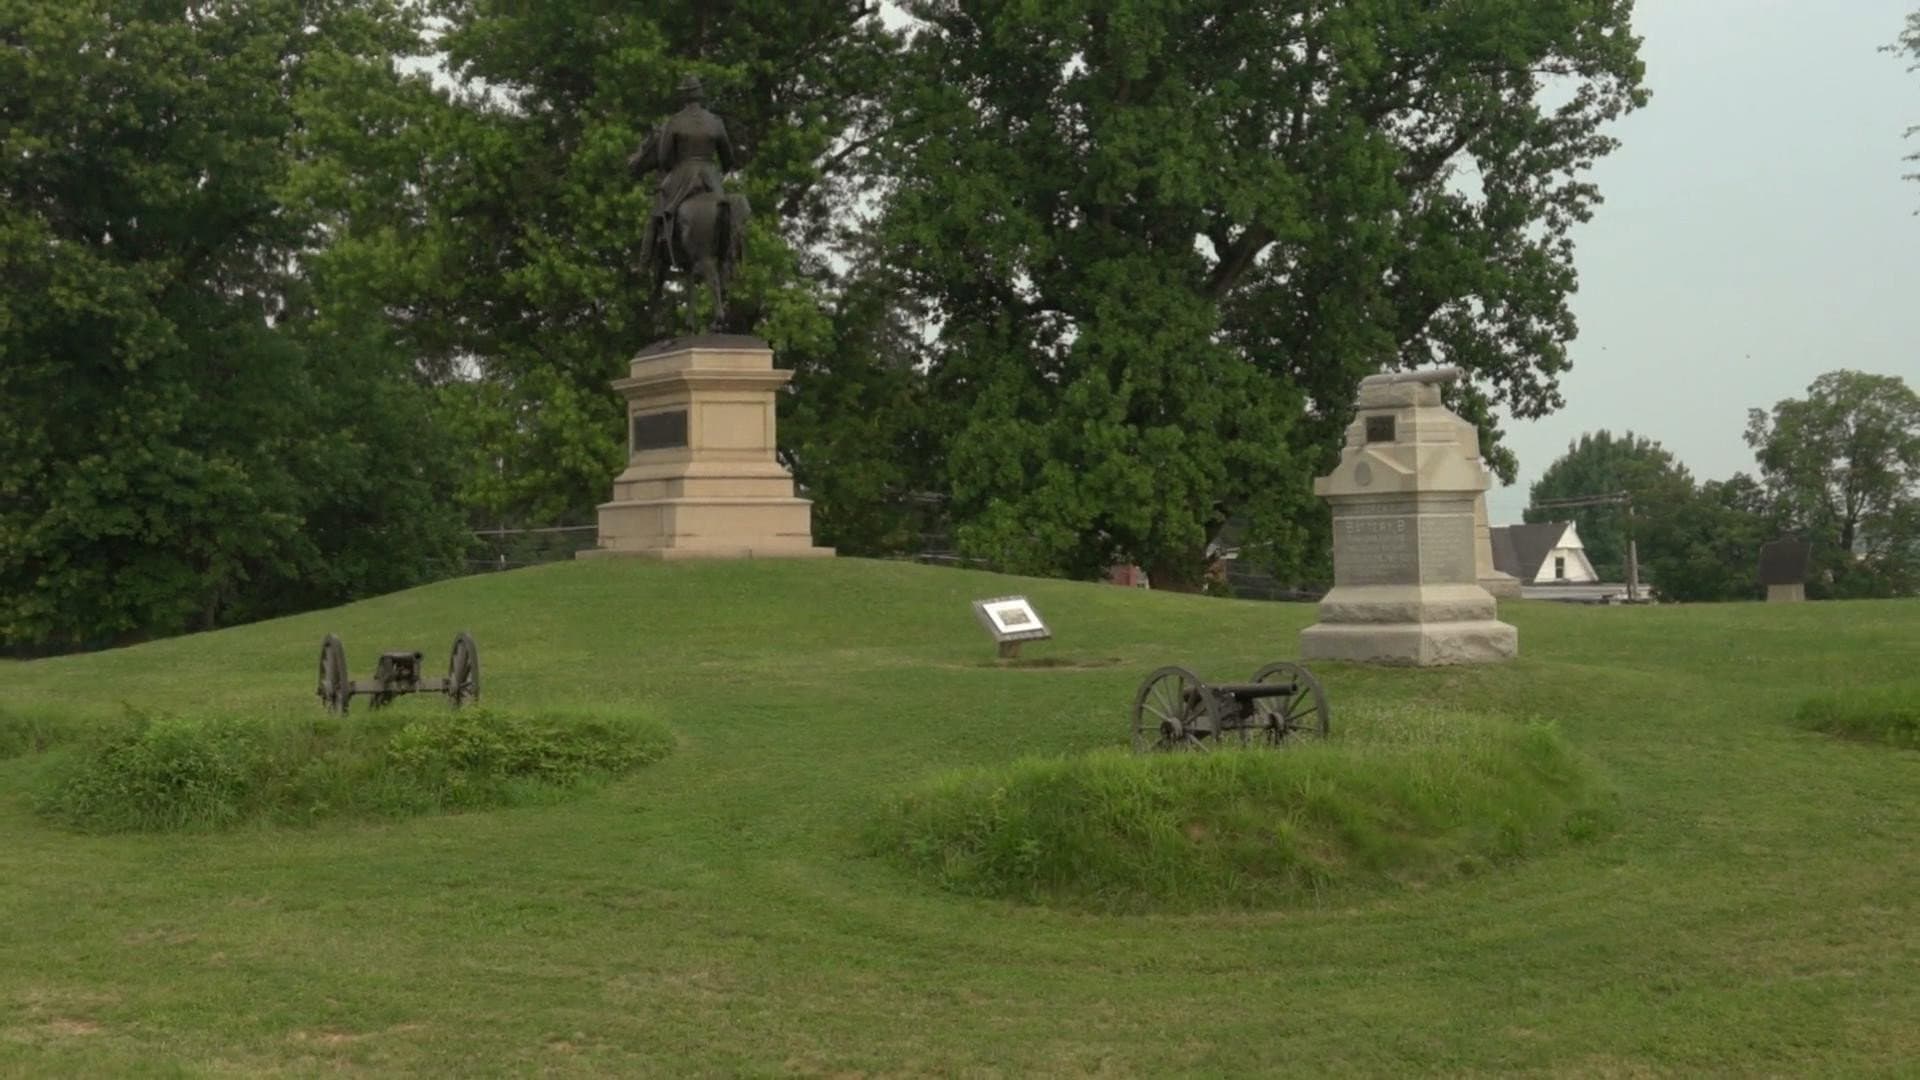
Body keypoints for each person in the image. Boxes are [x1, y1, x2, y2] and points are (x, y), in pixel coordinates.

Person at [632, 75, 737, 275]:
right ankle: (730, 256)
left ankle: (644, 265)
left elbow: (663, 158)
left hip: (682, 174)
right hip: (711, 177)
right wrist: (718, 171)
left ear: (684, 97)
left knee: (655, 215)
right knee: (728, 211)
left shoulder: (674, 122)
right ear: (700, 96)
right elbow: (728, 157)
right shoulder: (715, 122)